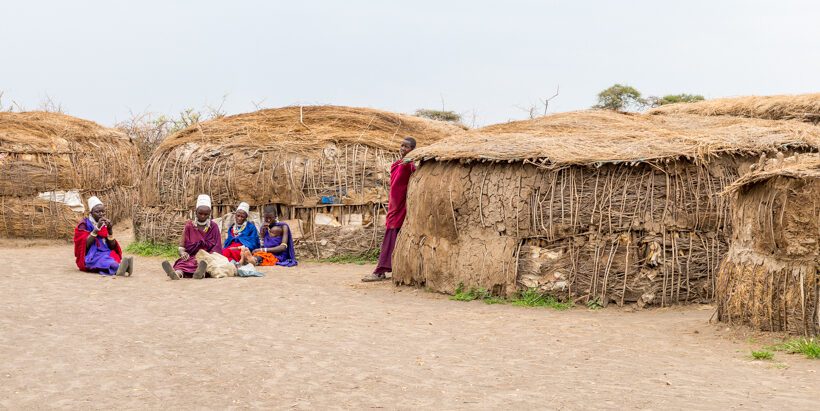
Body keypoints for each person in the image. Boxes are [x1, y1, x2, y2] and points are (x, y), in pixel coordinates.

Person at [362, 137, 416, 282]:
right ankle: (394, 268)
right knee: (394, 238)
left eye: (407, 147)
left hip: (402, 207)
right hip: (393, 206)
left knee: (391, 238)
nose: (403, 148)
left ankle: (380, 271)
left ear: (413, 150)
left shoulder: (410, 165)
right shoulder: (397, 164)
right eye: (402, 145)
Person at [162, 194, 222, 280]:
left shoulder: (214, 227)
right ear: (195, 211)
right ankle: (177, 274)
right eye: (200, 213)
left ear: (210, 213)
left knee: (207, 265)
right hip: (191, 257)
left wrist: (207, 256)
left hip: (208, 258)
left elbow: (217, 248)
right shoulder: (189, 226)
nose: (203, 216)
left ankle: (201, 273)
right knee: (182, 263)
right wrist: (182, 253)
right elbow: (181, 247)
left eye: (206, 214)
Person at [73, 196, 133, 276]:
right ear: (91, 213)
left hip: (105, 252)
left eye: (103, 212)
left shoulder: (104, 224)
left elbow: (111, 246)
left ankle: (122, 267)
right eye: (97, 212)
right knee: (107, 262)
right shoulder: (84, 225)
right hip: (92, 255)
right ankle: (120, 268)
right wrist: (97, 228)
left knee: (113, 257)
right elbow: (85, 245)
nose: (101, 214)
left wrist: (110, 231)